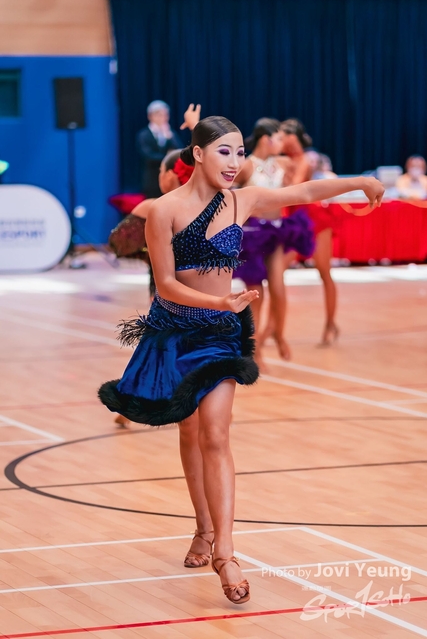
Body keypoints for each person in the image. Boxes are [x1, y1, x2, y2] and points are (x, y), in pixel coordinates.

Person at [98, 115, 384, 605]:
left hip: (220, 334)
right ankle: (203, 528)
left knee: (215, 433)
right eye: (224, 152)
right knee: (189, 432)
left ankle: (226, 553)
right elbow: (165, 285)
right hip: (175, 332)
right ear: (198, 154)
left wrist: (359, 181)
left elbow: (305, 192)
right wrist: (219, 300)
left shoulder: (240, 201)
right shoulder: (164, 211)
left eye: (239, 153)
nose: (234, 162)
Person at [233, 118, 314, 364]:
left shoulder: (283, 162)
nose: (283, 143)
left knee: (278, 288)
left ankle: (278, 334)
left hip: (276, 232)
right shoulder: (246, 166)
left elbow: (303, 173)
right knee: (256, 293)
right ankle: (252, 348)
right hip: (253, 235)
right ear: (266, 139)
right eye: (279, 138)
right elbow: (227, 193)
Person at [281, 119, 340, 345]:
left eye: (283, 135)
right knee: (276, 271)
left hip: (313, 220)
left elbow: (295, 189)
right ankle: (273, 328)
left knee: (324, 271)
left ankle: (330, 323)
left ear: (292, 137)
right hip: (294, 221)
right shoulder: (283, 160)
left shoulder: (304, 159)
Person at [136, 100, 182, 198]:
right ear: (150, 116)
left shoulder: (170, 133)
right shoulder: (144, 135)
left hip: (169, 179)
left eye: (165, 115)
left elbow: (179, 153)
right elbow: (148, 156)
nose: (163, 118)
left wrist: (169, 138)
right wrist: (168, 157)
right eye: (159, 115)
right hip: (151, 180)